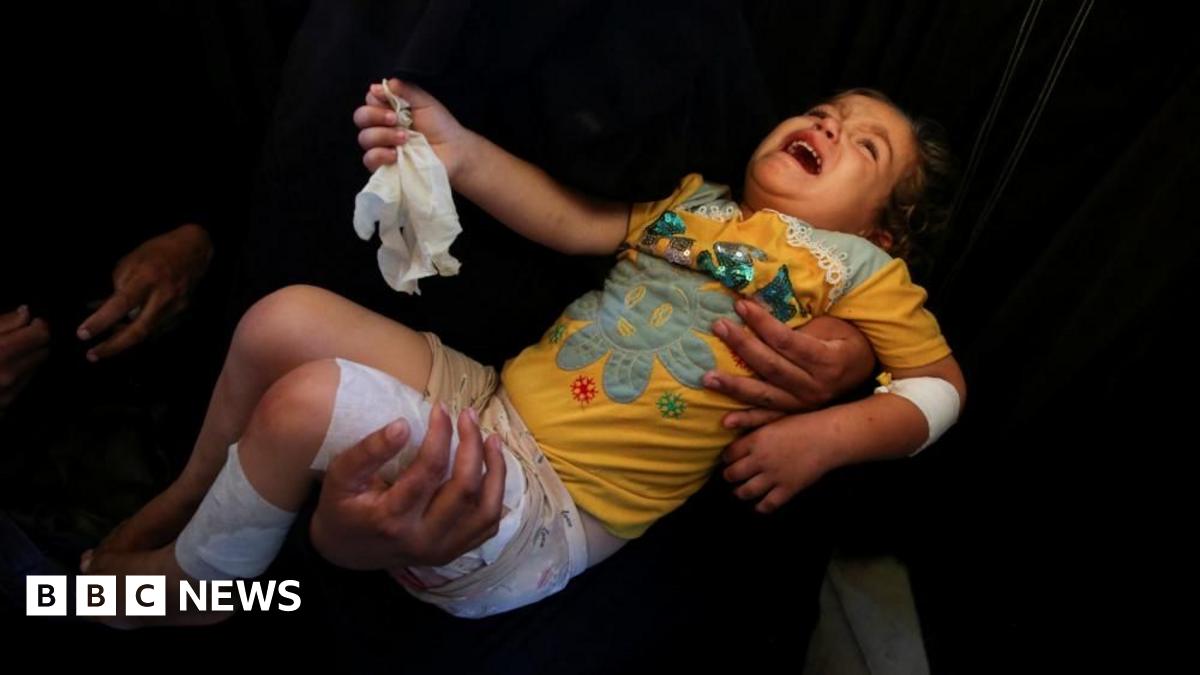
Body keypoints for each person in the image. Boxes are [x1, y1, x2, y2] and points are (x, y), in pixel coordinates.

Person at [81, 79, 964, 624]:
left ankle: (182, 592)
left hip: (540, 511)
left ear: (884, 231)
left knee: (305, 401)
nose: (828, 126)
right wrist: (460, 153)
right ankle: (195, 493)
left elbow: (942, 386)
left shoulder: (861, 273)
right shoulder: (700, 205)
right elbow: (573, 220)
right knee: (284, 317)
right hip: (491, 404)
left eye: (865, 144)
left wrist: (828, 438)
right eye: (825, 111)